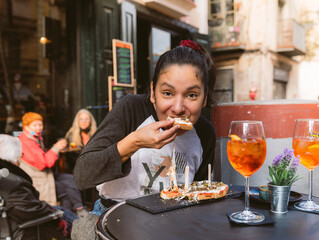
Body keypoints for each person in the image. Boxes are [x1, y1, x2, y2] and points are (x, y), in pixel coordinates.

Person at [71, 40, 217, 239]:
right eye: (167, 93)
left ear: (205, 98)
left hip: (173, 223)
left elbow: (198, 196)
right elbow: (82, 175)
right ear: (152, 93)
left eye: (192, 95)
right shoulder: (131, 109)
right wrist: (135, 142)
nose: (177, 107)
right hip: (112, 218)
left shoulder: (204, 132)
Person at [0, 134, 77, 239]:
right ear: (12, 157)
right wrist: (52, 212)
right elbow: (30, 210)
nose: (21, 158)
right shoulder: (10, 183)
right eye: (19, 156)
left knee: (64, 208)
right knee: (68, 217)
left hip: (16, 222)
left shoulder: (6, 178)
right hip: (25, 228)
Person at [18, 112, 88, 218]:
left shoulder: (34, 138)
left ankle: (78, 209)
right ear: (25, 127)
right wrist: (56, 148)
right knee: (65, 192)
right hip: (39, 179)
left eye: (40, 125)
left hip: (46, 175)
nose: (38, 128)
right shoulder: (26, 142)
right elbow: (44, 163)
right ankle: (66, 218)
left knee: (70, 179)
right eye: (34, 125)